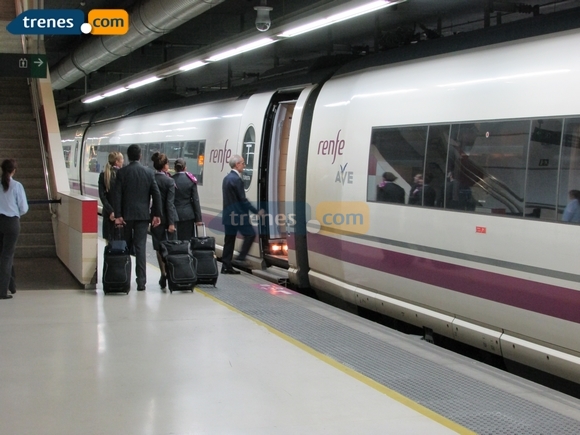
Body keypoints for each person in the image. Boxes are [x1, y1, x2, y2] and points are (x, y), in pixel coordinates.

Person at [114, 144, 162, 291]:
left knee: (126, 247)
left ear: (128, 156)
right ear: (140, 156)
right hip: (142, 216)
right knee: (140, 248)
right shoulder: (148, 172)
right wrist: (157, 214)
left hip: (126, 216)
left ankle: (125, 279)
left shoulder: (122, 173)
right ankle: (141, 282)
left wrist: (118, 215)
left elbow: (118, 195)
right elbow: (156, 194)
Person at [221, 155, 263, 274]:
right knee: (250, 234)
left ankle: (226, 266)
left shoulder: (227, 178)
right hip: (238, 216)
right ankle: (240, 258)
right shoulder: (237, 179)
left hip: (228, 215)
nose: (244, 166)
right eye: (243, 163)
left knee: (229, 241)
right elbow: (243, 200)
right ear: (237, 164)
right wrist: (256, 211)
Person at [0, 159, 28, 300]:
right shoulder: (17, 186)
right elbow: (23, 208)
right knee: (7, 255)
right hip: (11, 222)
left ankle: (11, 285)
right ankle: (3, 291)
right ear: (14, 170)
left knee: (3, 254)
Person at [151, 152, 177, 289]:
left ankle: (163, 272)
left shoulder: (151, 178)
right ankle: (170, 273)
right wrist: (171, 223)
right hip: (168, 219)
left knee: (158, 247)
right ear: (165, 165)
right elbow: (170, 204)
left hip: (155, 218)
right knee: (170, 247)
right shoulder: (169, 181)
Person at [172, 158, 202, 241]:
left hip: (175, 214)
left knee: (176, 240)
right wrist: (198, 219)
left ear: (175, 168)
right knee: (188, 240)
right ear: (185, 167)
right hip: (188, 215)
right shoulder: (191, 180)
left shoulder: (171, 180)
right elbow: (195, 199)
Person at [98, 151, 123, 242]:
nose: (123, 161)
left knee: (109, 243)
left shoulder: (103, 175)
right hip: (121, 216)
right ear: (117, 161)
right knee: (120, 244)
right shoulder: (123, 174)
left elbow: (102, 196)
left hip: (108, 214)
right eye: (122, 159)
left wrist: (111, 211)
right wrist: (117, 213)